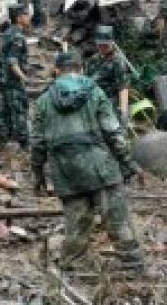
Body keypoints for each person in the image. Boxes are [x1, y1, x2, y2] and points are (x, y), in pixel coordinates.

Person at [31, 51, 143, 269]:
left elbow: (36, 143)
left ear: (57, 70)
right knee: (116, 218)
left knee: (76, 223)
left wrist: (38, 176)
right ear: (80, 68)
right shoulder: (95, 92)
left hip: (65, 171)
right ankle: (132, 263)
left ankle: (74, 265)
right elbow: (113, 132)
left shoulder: (44, 100)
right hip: (100, 166)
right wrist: (128, 163)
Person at [0, 3, 33, 149]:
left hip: (3, 79)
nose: (29, 17)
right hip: (13, 80)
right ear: (19, 18)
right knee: (19, 110)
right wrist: (24, 78)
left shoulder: (8, 32)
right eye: (26, 15)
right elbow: (12, 61)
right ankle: (24, 143)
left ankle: (0, 138)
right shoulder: (18, 36)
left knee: (4, 109)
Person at [87, 25, 133, 126]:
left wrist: (123, 111)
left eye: (105, 45)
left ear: (111, 43)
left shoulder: (118, 61)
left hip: (112, 104)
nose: (102, 48)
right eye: (100, 45)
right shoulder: (93, 60)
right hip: (95, 104)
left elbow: (123, 87)